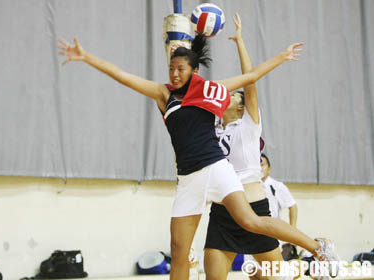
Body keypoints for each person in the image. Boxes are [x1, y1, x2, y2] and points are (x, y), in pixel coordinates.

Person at [58, 21, 333, 280]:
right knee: (178, 250)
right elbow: (124, 77)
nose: (174, 74)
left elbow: (251, 77)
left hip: (215, 168)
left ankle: (317, 246)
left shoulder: (212, 90)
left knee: (251, 221)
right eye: (171, 68)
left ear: (194, 72)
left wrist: (281, 57)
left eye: (180, 69)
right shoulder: (163, 94)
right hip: (188, 180)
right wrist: (87, 57)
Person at [203, 14, 338, 280]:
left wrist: (240, 42)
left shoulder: (249, 125)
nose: (226, 95)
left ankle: (313, 257)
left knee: (265, 278)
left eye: (232, 95)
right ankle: (303, 266)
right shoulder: (213, 127)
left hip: (254, 208)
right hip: (222, 211)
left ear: (241, 106)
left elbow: (250, 80)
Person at [261, 153, 298, 227]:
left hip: (273, 230)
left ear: (269, 169)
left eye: (262, 165)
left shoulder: (277, 186)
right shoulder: (248, 186)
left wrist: (292, 229)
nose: (259, 168)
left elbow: (292, 206)